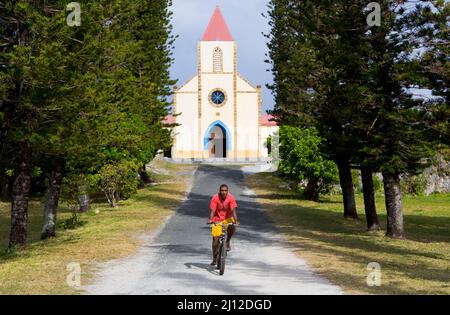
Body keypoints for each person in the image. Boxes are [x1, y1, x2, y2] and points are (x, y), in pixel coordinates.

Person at [207, 184, 239, 266]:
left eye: (225, 190)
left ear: (227, 191)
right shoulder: (215, 197)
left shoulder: (231, 198)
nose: (223, 192)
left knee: (232, 225)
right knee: (215, 242)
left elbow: (233, 210)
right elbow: (213, 211)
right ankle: (214, 258)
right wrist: (210, 219)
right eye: (222, 190)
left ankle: (227, 241)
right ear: (219, 191)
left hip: (227, 219)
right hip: (217, 220)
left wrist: (236, 220)